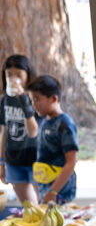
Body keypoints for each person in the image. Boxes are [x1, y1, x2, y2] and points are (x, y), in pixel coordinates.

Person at [26, 75, 77, 204]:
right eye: (32, 100)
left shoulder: (65, 124)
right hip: (45, 186)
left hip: (60, 190)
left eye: (37, 99)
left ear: (54, 98)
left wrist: (53, 191)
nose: (34, 105)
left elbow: (71, 162)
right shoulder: (43, 120)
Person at [0, 54, 39, 204]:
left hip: (35, 158)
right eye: (9, 74)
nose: (13, 79)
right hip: (13, 160)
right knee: (29, 207)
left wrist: (24, 99)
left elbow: (33, 131)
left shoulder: (35, 99)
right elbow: (4, 132)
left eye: (18, 75)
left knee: (45, 205)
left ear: (28, 76)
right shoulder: (4, 101)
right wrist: (1, 162)